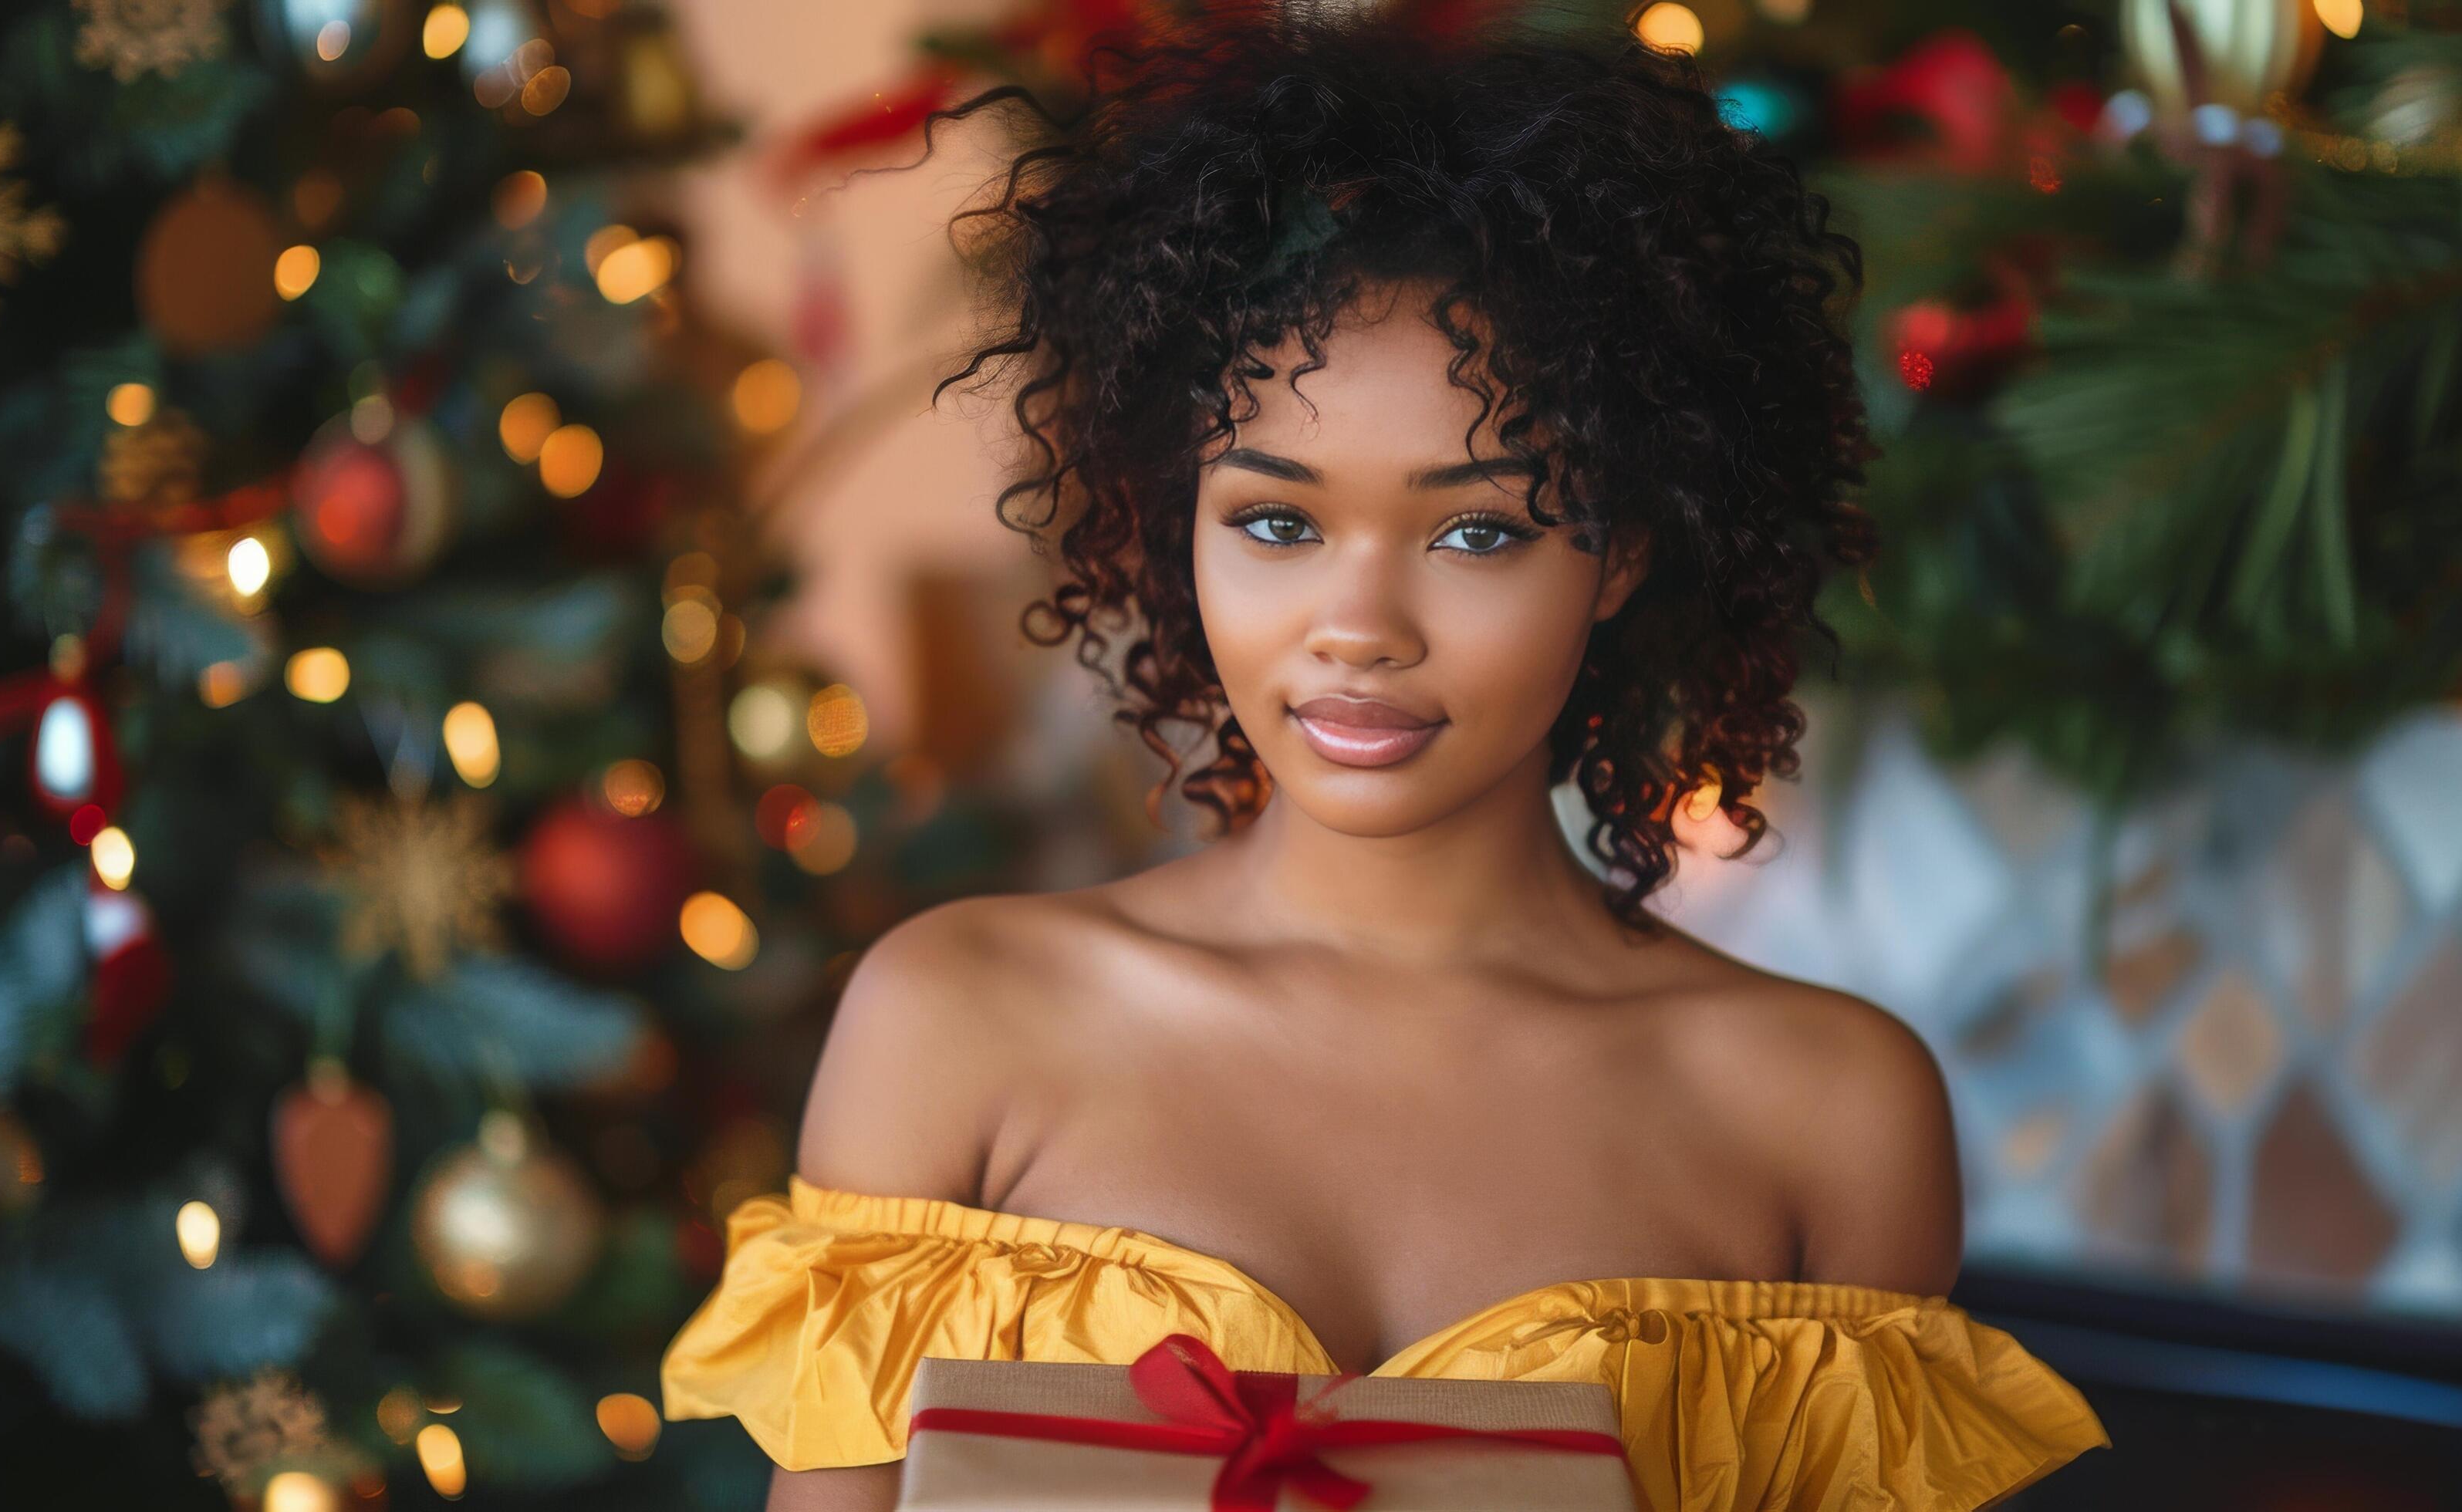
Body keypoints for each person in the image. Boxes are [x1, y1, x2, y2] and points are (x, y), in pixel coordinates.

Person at [660, 5, 2111, 1508]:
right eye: (1278, 521)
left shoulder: (1828, 1110)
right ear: (1179, 518)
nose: (1357, 628)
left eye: (1477, 530)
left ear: (1621, 551)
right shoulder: (953, 1022)